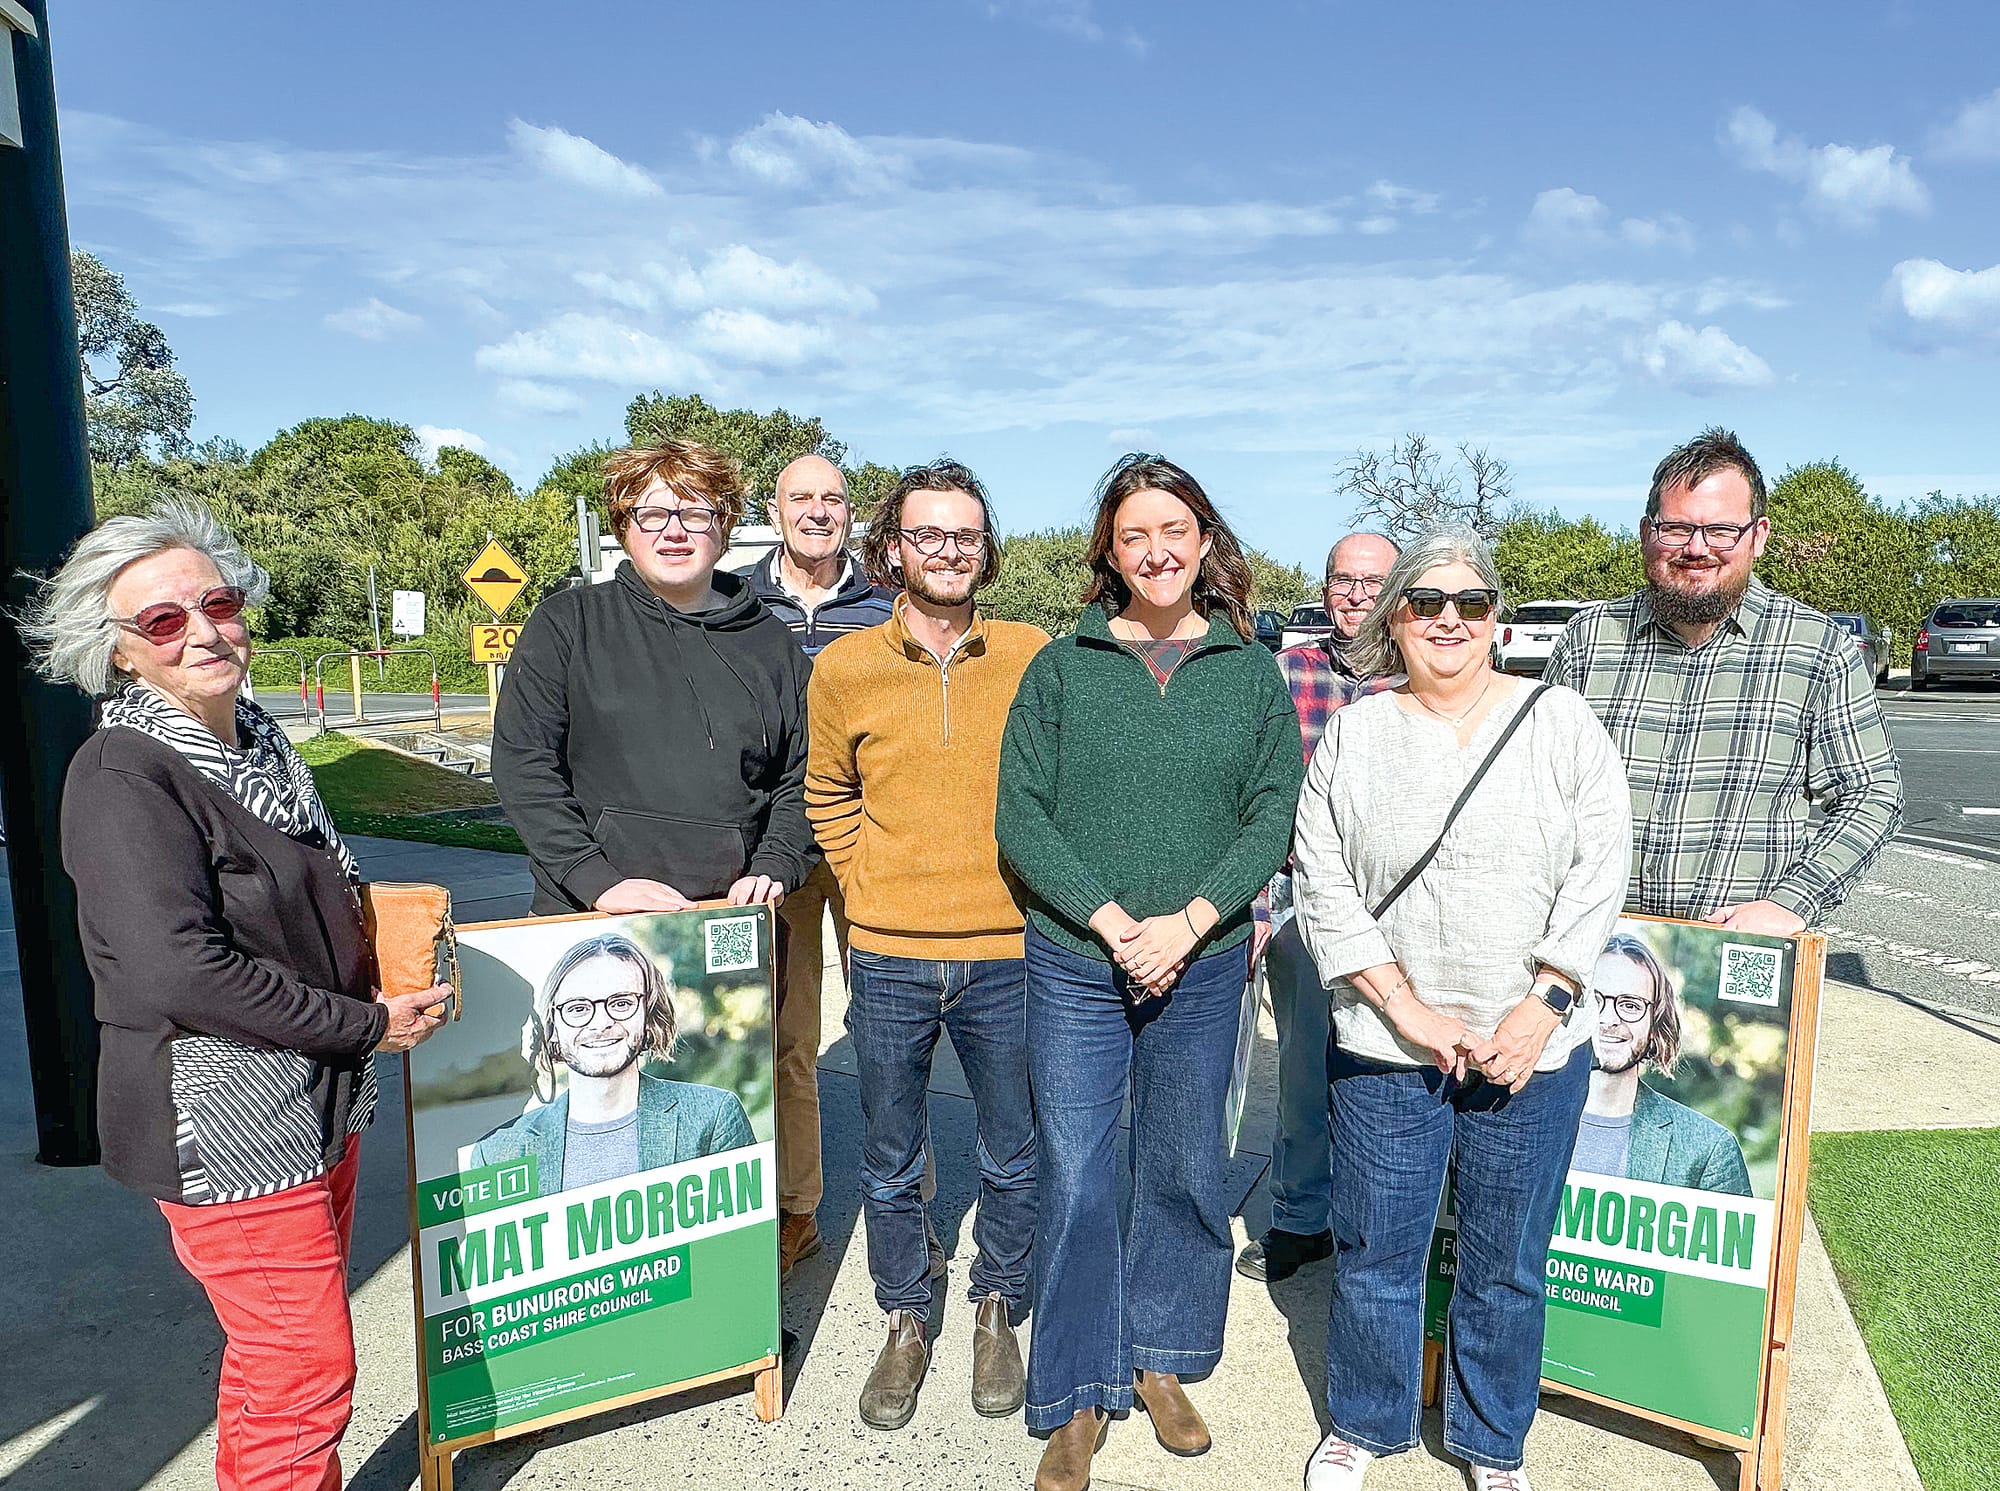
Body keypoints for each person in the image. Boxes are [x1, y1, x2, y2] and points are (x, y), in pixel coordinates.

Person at [28, 501, 448, 1491]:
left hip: (315, 1106)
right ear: (120, 653)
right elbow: (176, 970)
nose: (205, 629)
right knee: (305, 1372)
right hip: (227, 1124)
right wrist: (363, 1023)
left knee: (274, 1365)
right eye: (164, 620)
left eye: (216, 602)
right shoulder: (123, 773)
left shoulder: (260, 745)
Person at [1290, 526, 1632, 1491]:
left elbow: (1600, 869)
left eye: (1469, 603)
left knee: (1507, 1262)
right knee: (1376, 1253)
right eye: (1425, 602)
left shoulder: (1561, 723)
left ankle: (1491, 1442)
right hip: (1387, 1045)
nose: (1448, 619)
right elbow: (1323, 881)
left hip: (1530, 1045)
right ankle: (1364, 1422)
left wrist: (1542, 1005)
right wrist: (1410, 1012)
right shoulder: (1355, 732)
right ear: (1393, 619)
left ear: (1499, 622)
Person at [996, 455, 1304, 1491]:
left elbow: (1270, 813)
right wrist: (1114, 919)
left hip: (1205, 960)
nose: (1157, 550)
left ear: (1204, 540)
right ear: (1108, 552)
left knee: (1180, 1166)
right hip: (1079, 959)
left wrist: (1189, 921)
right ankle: (1077, 1391)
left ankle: (1162, 1358)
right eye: (1134, 535)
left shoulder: (1246, 669)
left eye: (1175, 529)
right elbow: (1019, 816)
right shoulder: (1061, 665)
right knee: (1078, 1171)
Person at [806, 459, 1047, 1430]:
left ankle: (997, 1302)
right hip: (889, 956)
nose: (948, 551)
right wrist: (869, 889)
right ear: (893, 549)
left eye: (965, 535)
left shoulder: (1032, 654)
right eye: (928, 535)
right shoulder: (843, 667)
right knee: (891, 1157)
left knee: (1011, 1153)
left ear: (984, 550)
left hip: (1008, 953)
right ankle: (907, 1314)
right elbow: (827, 794)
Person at [1545, 427, 1903, 934]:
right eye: (1676, 528)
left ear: (1758, 536)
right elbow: (1536, 794)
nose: (1697, 548)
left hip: (1734, 951)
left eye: (1721, 530)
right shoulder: (1588, 643)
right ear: (1648, 533)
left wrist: (1792, 902)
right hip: (1592, 946)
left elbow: (1872, 792)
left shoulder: (1817, 649)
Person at [492, 440, 819, 918]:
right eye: (653, 514)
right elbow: (524, 765)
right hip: (589, 911)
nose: (674, 532)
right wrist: (597, 880)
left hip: (726, 914)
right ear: (624, 526)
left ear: (723, 528)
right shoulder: (568, 623)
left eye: (695, 514)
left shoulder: (772, 646)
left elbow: (804, 775)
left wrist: (775, 865)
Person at [1237, 529, 1401, 1285]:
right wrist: (1261, 905)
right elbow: (1259, 799)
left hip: (1400, 907)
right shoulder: (1285, 673)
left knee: (1390, 1068)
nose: (1357, 595)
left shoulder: (1426, 675)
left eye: (1374, 581)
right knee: (1305, 1064)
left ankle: (1383, 1222)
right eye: (1343, 579)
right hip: (1303, 900)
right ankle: (1302, 1216)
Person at [747, 452, 893, 1275]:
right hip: (779, 843)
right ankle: (795, 1207)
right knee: (786, 1035)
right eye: (801, 497)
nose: (817, 510)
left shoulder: (883, 604)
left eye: (832, 498)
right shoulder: (736, 601)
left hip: (870, 835)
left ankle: (905, 1208)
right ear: (777, 508)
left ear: (851, 511)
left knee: (892, 1031)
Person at [469, 932, 755, 1188]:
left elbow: (745, 1243)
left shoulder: (714, 1116)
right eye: (578, 1008)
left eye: (621, 1004)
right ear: (553, 1026)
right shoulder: (496, 1154)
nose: (600, 1023)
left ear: (649, 1014)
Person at [1577, 934, 1752, 1196]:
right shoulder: (1514, 1115)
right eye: (1594, 1000)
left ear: (1655, 1022)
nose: (1609, 1019)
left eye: (1630, 1005)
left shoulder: (1709, 1148)